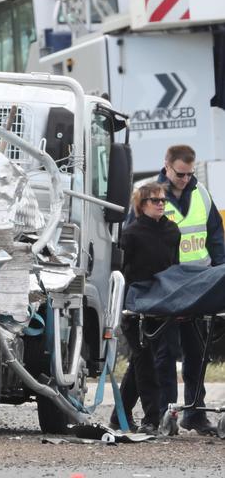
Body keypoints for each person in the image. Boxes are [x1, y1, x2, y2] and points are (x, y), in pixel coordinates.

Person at [155, 144, 225, 435]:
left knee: (197, 353)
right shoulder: (152, 196)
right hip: (167, 287)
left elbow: (216, 238)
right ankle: (165, 412)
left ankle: (194, 414)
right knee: (165, 353)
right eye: (180, 174)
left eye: (189, 174)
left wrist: (220, 272)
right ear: (167, 166)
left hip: (198, 285)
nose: (185, 179)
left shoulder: (202, 194)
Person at [110, 181, 181, 435]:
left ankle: (119, 415)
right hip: (135, 305)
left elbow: (175, 268)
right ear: (142, 205)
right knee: (145, 360)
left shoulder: (173, 231)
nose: (161, 204)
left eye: (163, 200)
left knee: (143, 360)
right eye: (155, 200)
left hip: (162, 304)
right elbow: (119, 270)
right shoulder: (130, 234)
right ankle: (151, 418)